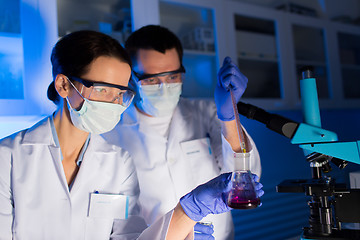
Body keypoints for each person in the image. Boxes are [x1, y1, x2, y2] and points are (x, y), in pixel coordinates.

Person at [0, 30, 264, 240]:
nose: (115, 103)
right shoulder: (8, 158)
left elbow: (131, 238)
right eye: (104, 89)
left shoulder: (118, 161)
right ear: (63, 85)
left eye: (119, 93)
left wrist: (189, 213)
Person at [103, 25, 262, 239]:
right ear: (132, 78)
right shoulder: (110, 132)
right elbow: (116, 223)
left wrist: (230, 116)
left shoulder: (205, 113)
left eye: (172, 77)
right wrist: (176, 230)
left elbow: (245, 178)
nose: (164, 86)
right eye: (151, 79)